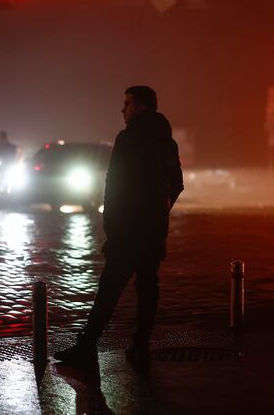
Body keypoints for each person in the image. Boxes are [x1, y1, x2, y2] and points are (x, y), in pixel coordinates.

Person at [55, 85, 183, 371]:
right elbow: (177, 184)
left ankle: (87, 345)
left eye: (127, 104)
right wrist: (159, 213)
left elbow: (114, 185)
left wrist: (111, 223)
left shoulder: (127, 139)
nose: (122, 110)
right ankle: (140, 346)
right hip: (152, 230)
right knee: (148, 288)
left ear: (140, 107)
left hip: (127, 229)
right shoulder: (167, 142)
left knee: (109, 288)